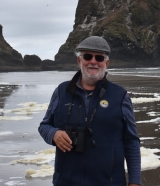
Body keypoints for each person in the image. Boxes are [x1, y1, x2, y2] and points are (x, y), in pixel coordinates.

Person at [38, 36, 141, 186]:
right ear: (79, 60)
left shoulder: (120, 96)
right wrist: (53, 134)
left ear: (106, 63)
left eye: (99, 57)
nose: (93, 61)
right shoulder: (62, 91)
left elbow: (131, 141)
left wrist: (135, 182)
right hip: (66, 182)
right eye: (87, 56)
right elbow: (44, 126)